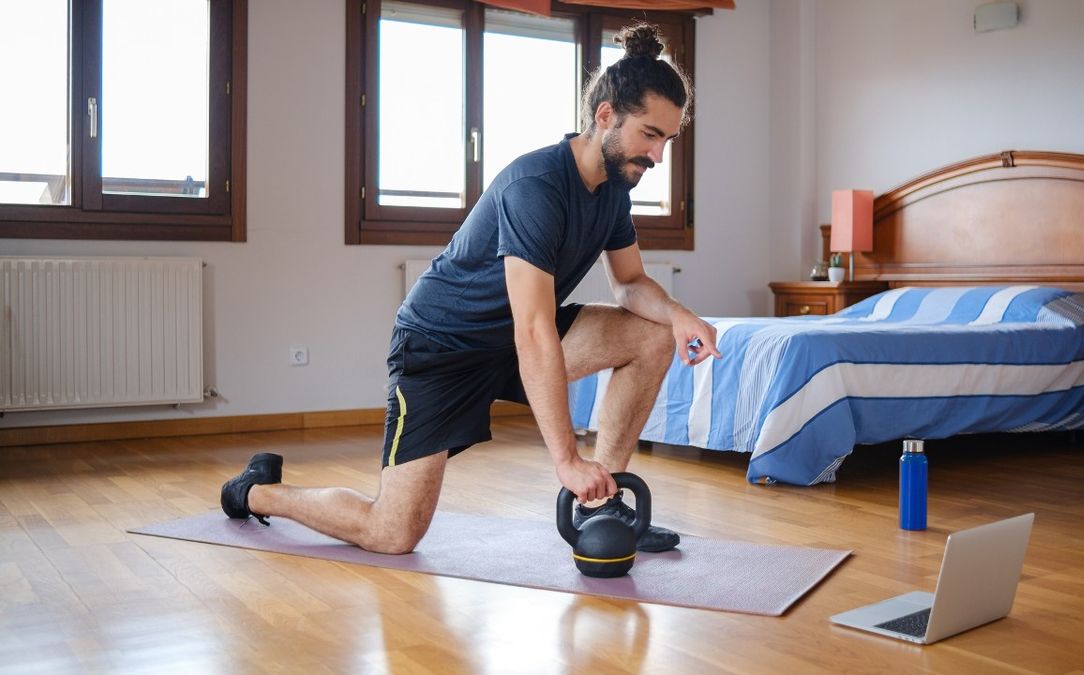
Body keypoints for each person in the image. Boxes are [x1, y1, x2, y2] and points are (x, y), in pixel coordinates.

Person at [220, 23, 720, 555]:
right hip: (442, 351)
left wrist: (678, 315)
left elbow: (631, 283)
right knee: (392, 533)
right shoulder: (537, 187)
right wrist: (567, 460)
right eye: (650, 135)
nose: (658, 156)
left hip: (511, 342)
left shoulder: (614, 188)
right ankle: (256, 491)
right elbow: (533, 330)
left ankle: (604, 506)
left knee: (652, 334)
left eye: (667, 140)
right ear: (605, 117)